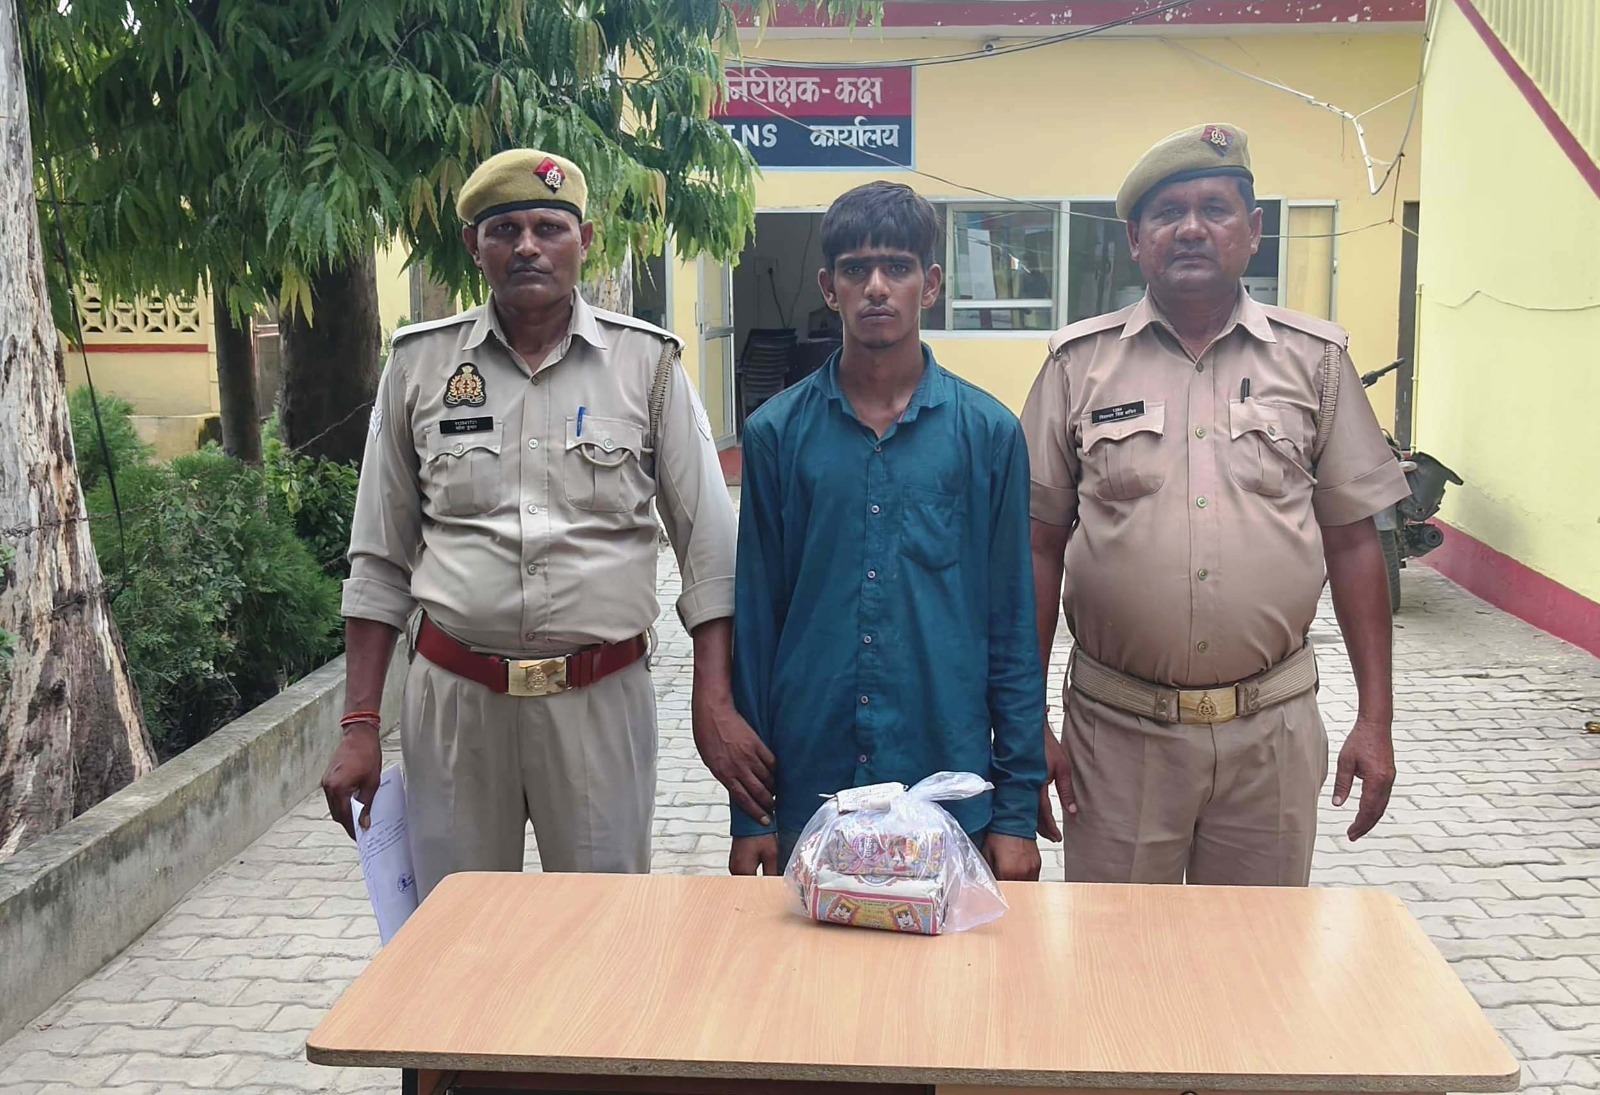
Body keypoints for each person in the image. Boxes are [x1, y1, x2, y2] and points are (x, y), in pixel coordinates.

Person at [320, 148, 756, 898]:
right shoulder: (420, 367)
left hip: (599, 700)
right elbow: (379, 560)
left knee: (602, 930)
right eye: (505, 229)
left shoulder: (646, 364)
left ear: (584, 241)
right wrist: (360, 723)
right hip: (455, 704)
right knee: (458, 931)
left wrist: (714, 700)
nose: (527, 246)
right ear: (474, 245)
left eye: (549, 227)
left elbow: (711, 554)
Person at [1022, 124, 1411, 886]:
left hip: (1270, 736)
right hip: (1117, 736)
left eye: (1215, 209)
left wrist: (1376, 719)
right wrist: (1026, 723)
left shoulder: (1315, 362)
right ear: (1136, 239)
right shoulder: (1078, 366)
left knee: (1256, 952)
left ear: (1254, 230)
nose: (1192, 228)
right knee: (1117, 951)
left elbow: (1355, 544)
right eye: (1169, 213)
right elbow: (1036, 547)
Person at [722, 181, 1047, 881]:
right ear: (828, 287)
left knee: (951, 957)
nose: (876, 286)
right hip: (814, 788)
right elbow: (758, 625)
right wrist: (751, 817)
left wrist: (1016, 812)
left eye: (897, 267)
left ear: (929, 285)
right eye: (856, 269)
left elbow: (1013, 628)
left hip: (948, 785)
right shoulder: (776, 436)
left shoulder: (989, 435)